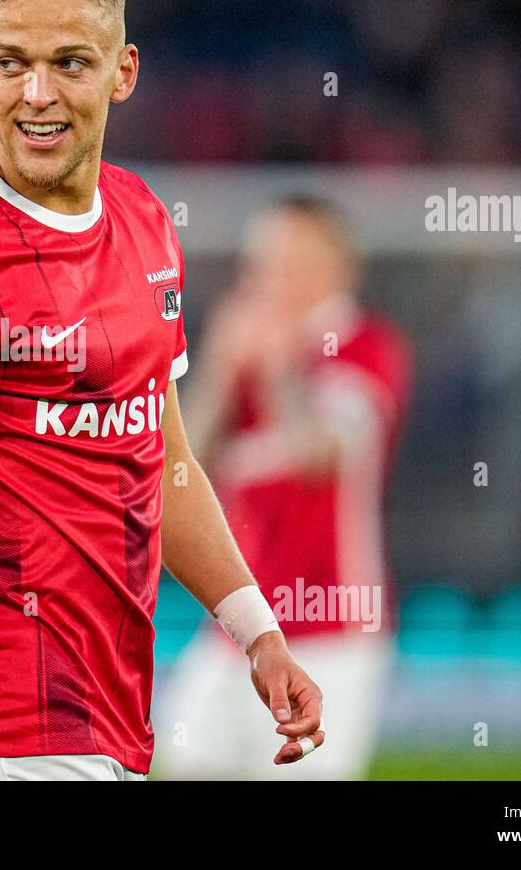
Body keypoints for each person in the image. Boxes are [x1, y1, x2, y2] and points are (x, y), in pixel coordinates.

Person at [0, 0, 323, 782]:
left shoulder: (144, 222)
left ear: (124, 70)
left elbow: (165, 461)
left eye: (71, 62)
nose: (38, 95)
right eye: (11, 63)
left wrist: (258, 634)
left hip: (110, 719)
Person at [158, 196, 412, 779]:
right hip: (239, 624)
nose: (270, 278)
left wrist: (277, 370)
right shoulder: (245, 351)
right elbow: (180, 463)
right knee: (190, 761)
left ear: (337, 268)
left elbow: (319, 454)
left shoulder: (365, 345)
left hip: (333, 628)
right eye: (264, 262)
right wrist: (222, 370)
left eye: (290, 261)